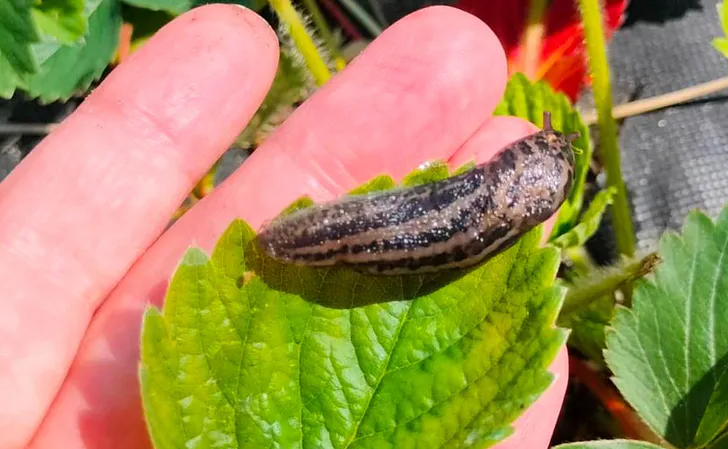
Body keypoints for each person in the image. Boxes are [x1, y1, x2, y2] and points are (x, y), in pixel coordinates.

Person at [0, 4, 568, 448]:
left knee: (375, 231)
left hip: (387, 232)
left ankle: (300, 242)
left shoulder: (493, 199)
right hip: (374, 232)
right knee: (361, 230)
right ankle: (297, 243)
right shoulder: (500, 202)